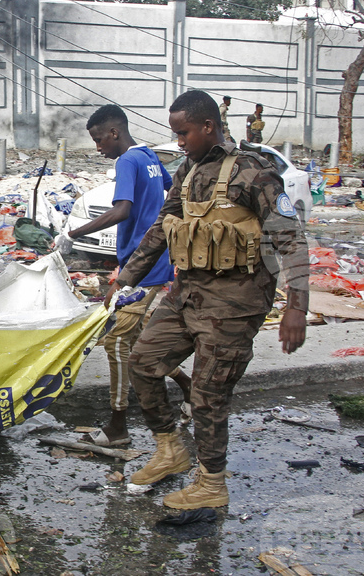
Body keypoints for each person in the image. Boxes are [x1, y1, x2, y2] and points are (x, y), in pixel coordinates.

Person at [116, 90, 309, 509]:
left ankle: (211, 484)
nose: (179, 141)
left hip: (236, 304)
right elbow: (162, 226)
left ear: (208, 126)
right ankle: (170, 451)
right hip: (188, 296)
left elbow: (291, 240)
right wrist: (126, 276)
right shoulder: (187, 172)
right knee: (144, 363)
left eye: (183, 132)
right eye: (175, 133)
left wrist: (297, 307)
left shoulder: (255, 174)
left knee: (209, 394)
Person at [51, 104, 192, 447]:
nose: (98, 147)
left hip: (141, 268)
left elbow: (121, 209)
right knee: (137, 341)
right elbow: (174, 191)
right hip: (151, 261)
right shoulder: (150, 156)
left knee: (115, 343)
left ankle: (117, 427)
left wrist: (72, 234)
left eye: (99, 140)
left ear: (114, 133)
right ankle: (189, 389)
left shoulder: (127, 160)